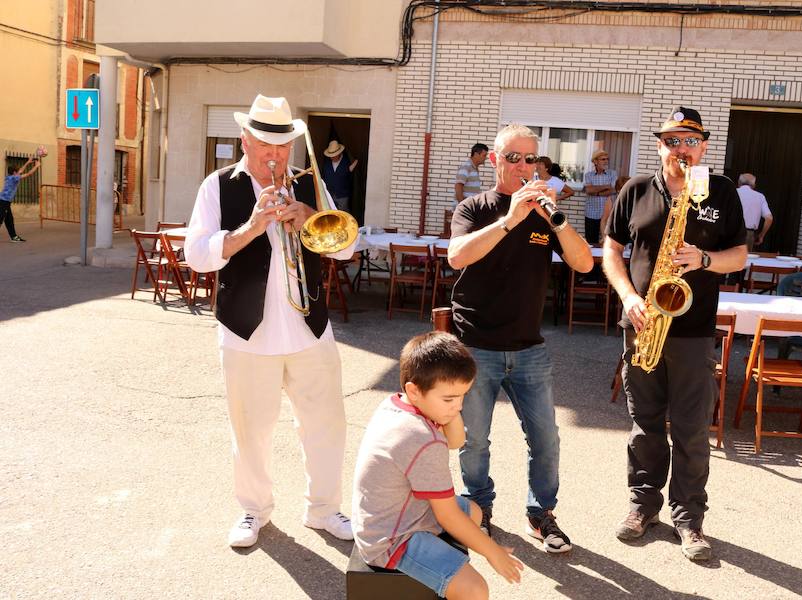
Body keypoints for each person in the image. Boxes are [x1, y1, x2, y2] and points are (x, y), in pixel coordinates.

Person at [184, 95, 357, 548]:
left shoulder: (307, 183)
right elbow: (198, 256)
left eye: (283, 147)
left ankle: (324, 509)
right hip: (246, 333)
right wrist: (249, 229)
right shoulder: (217, 186)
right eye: (265, 145)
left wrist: (309, 219)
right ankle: (253, 510)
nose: (275, 156)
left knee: (326, 425)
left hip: (310, 330)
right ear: (245, 139)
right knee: (250, 430)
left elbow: (345, 247)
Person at [602, 106, 747, 561]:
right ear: (660, 145)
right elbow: (611, 250)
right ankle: (642, 507)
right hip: (643, 324)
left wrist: (704, 259)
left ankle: (689, 519)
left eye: (689, 141)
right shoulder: (637, 189)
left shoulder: (719, 190)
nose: (680, 149)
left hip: (693, 329)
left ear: (703, 146)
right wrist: (628, 296)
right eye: (671, 141)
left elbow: (739, 255)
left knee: (690, 429)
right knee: (644, 425)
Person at [448, 124, 593, 553]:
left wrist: (557, 222)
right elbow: (458, 256)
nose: (523, 166)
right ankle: (479, 509)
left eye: (531, 159)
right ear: (494, 160)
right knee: (474, 440)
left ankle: (541, 513)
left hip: (529, 348)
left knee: (546, 438)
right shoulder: (473, 208)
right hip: (476, 345)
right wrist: (511, 220)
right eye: (513, 157)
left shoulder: (544, 212)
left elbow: (583, 264)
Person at [352, 332, 524, 599]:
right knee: (476, 590)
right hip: (391, 539)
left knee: (475, 511)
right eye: (449, 399)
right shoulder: (421, 439)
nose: (458, 407)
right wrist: (493, 552)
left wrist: (449, 410)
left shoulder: (397, 403)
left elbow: (456, 441)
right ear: (414, 390)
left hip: (390, 516)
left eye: (462, 397)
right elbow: (447, 516)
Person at [0, 156, 41, 242]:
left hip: (4, 202)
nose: (20, 172)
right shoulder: (15, 178)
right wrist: (36, 166)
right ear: (15, 172)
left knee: (9, 220)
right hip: (3, 202)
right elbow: (28, 174)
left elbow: (21, 170)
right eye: (18, 171)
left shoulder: (10, 177)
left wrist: (28, 162)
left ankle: (14, 237)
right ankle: (14, 236)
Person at [582, 148, 617, 244]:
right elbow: (589, 190)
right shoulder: (588, 175)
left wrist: (596, 192)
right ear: (595, 161)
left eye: (607, 159)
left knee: (608, 242)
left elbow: (613, 190)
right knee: (591, 242)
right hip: (591, 213)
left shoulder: (613, 174)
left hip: (608, 215)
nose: (606, 161)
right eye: (603, 159)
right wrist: (606, 187)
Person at [736, 173, 773, 250]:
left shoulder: (733, 192)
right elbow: (769, 218)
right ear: (754, 185)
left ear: (739, 182)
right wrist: (761, 235)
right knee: (746, 260)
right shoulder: (760, 197)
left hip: (731, 232)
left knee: (728, 259)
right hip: (749, 235)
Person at [321, 139, 358, 213]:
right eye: (330, 155)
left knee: (343, 214)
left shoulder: (346, 162)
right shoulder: (326, 164)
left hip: (342, 196)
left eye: (334, 155)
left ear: (339, 153)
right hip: (329, 195)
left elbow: (349, 177)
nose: (332, 157)